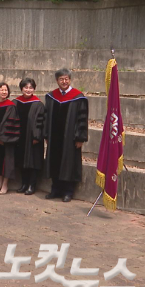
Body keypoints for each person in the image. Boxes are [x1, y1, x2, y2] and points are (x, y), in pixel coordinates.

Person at [43, 69, 88, 202]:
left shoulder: (78, 97)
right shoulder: (51, 97)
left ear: (70, 80)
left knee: (69, 163)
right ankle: (55, 189)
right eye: (61, 79)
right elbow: (46, 116)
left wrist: (80, 137)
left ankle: (68, 191)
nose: (64, 81)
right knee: (55, 161)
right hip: (54, 136)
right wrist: (46, 135)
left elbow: (82, 119)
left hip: (70, 138)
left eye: (66, 79)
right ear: (57, 80)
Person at [13, 78, 45, 195]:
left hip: (33, 139)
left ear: (34, 89)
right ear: (21, 89)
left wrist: (37, 137)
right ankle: (24, 183)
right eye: (25, 87)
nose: (28, 90)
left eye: (31, 88)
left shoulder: (38, 104)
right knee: (22, 161)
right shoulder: (16, 102)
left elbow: (41, 122)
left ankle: (32, 185)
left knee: (33, 162)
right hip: (20, 138)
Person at [0, 82, 20, 194]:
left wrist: (1, 138)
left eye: (6, 90)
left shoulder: (11, 106)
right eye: (1, 90)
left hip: (6, 140)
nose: (4, 92)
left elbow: (10, 123)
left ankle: (5, 185)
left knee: (6, 162)